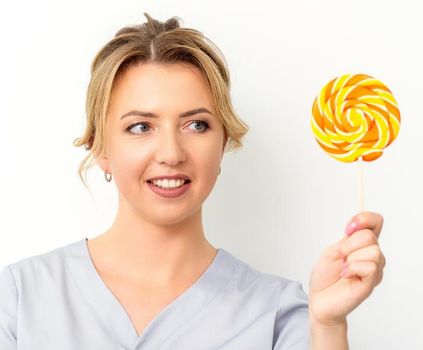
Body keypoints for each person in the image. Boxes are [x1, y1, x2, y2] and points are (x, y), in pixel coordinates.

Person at [0, 13, 385, 350]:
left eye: (196, 124)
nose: (171, 152)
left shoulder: (280, 314)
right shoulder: (19, 297)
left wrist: (329, 326)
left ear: (223, 143)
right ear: (101, 147)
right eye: (140, 127)